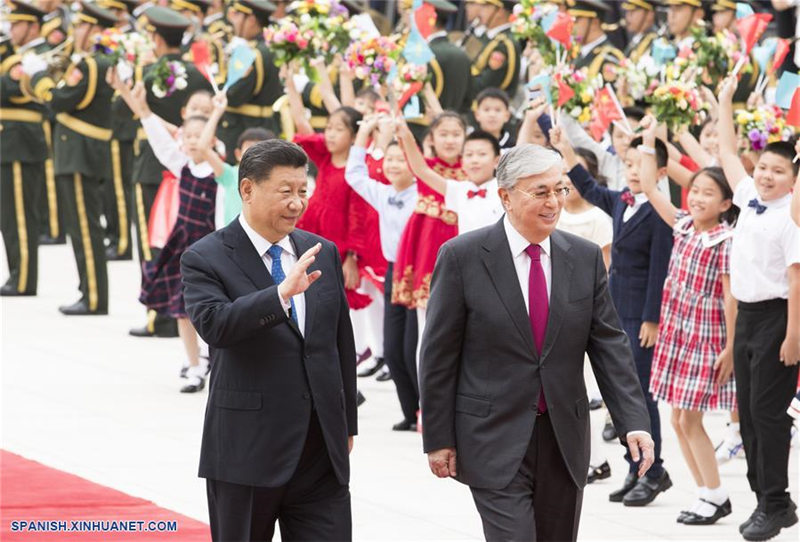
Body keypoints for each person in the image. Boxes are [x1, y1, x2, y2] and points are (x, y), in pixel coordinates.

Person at [419, 143, 654, 541]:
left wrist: (633, 420)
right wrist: (438, 438)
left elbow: (608, 345)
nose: (553, 202)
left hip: (563, 436)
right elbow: (439, 354)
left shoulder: (584, 257)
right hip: (492, 435)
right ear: (506, 196)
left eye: (559, 190)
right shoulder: (463, 256)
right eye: (540, 192)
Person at [181, 139, 357, 541]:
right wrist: (279, 296)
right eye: (285, 192)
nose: (296, 203)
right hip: (247, 451)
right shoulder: (205, 257)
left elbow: (339, 343)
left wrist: (346, 421)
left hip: (319, 450)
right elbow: (215, 325)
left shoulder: (321, 252)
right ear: (247, 189)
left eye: (302, 192)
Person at [551, 126, 674, 507]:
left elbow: (659, 270)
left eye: (642, 166)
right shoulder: (623, 199)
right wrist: (565, 149)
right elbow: (588, 187)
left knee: (638, 393)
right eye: (629, 164)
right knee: (619, 389)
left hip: (642, 317)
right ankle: (635, 465)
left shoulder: (658, 213)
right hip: (618, 308)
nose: (634, 172)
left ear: (662, 175)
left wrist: (652, 319)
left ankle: (652, 471)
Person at [639, 116, 739, 526]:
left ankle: (715, 494)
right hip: (677, 334)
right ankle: (705, 492)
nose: (697, 198)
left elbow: (731, 298)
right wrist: (649, 139)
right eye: (694, 190)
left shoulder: (726, 240)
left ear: (726, 204)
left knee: (691, 419)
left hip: (706, 338)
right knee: (677, 418)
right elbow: (649, 186)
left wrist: (731, 348)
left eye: (707, 193)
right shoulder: (683, 226)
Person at [718, 75, 800, 542]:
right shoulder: (749, 197)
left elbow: (796, 279)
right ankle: (772, 501)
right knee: (747, 415)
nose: (766, 175)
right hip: (746, 317)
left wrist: (793, 336)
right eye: (764, 167)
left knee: (768, 417)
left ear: (793, 180)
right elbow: (729, 154)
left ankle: (773, 501)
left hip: (778, 319)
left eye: (778, 171)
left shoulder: (793, 217)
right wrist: (726, 101)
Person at [24, 1, 118, 315]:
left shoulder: (90, 65)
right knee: (82, 228)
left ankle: (92, 296)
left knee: (84, 229)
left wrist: (39, 79)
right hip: (81, 151)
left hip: (79, 152)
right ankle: (89, 292)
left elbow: (61, 100)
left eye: (80, 25)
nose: (74, 31)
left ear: (92, 30)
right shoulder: (95, 62)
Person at [127, 5, 214, 338]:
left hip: (155, 163)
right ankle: (185, 309)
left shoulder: (151, 73)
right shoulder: (198, 74)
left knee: (154, 240)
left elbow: (123, 111)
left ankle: (157, 315)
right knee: (184, 243)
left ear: (157, 39)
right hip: (193, 164)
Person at [346, 114, 419, 430]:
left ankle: (426, 413)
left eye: (400, 159)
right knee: (392, 349)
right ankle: (409, 410)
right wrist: (363, 135)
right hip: (393, 272)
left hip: (419, 273)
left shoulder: (424, 194)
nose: (392, 165)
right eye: (388, 159)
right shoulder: (383, 192)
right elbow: (355, 174)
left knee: (413, 346)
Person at [1, 0, 49, 297]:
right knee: (9, 214)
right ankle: (17, 274)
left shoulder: (40, 56)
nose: (11, 29)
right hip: (11, 141)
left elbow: (12, 90)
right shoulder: (20, 56)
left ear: (32, 25)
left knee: (20, 214)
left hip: (20, 141)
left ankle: (23, 279)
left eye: (17, 24)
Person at [396, 120, 503, 235]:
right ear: (462, 162)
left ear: (496, 161)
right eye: (469, 155)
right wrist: (406, 136)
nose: (474, 160)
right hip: (466, 252)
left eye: (482, 154)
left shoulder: (505, 189)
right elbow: (422, 170)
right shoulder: (459, 190)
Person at [218, 0, 282, 163]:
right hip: (267, 126)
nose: (233, 21)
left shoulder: (251, 53)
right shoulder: (273, 46)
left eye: (238, 15)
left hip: (243, 130)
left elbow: (234, 96)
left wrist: (220, 85)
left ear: (252, 20)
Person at [569, 0, 625, 85]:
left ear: (594, 22)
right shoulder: (578, 54)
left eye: (577, 21)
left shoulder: (608, 57)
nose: (572, 26)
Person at [473, 88, 516, 152]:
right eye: (486, 109)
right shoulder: (469, 142)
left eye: (498, 110)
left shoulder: (514, 146)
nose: (492, 115)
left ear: (507, 116)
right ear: (477, 115)